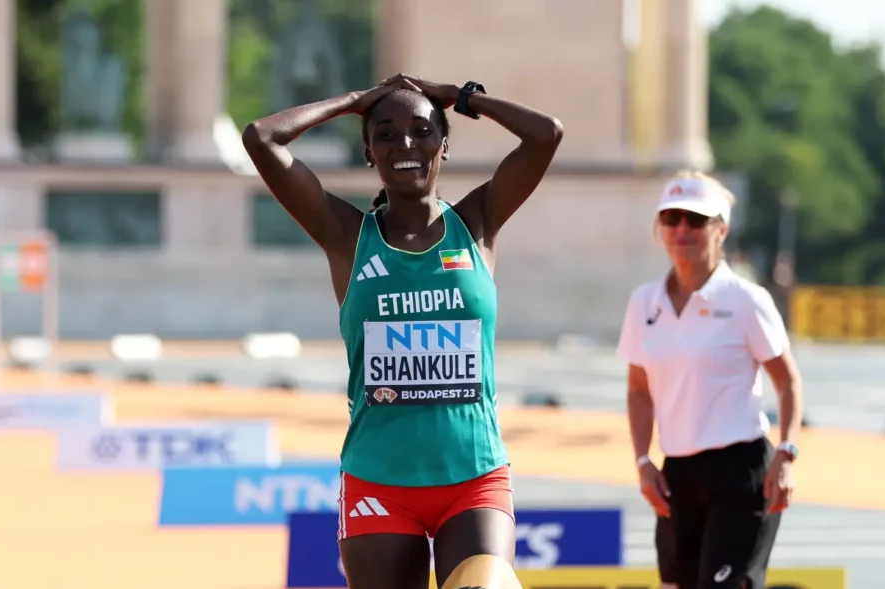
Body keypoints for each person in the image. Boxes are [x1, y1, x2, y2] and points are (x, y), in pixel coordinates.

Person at [242, 74, 563, 589]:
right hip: (379, 482)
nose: (405, 145)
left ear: (443, 144)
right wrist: (353, 101)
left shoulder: (478, 222)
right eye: (386, 134)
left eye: (421, 130)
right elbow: (261, 138)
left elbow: (546, 134)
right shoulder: (346, 236)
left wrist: (458, 97)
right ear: (369, 152)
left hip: (473, 477)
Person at [615, 171, 805, 589]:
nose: (683, 229)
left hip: (740, 471)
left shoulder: (746, 300)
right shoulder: (643, 303)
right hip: (677, 473)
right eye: (672, 217)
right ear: (660, 228)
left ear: (721, 229)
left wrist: (786, 454)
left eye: (696, 220)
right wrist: (644, 461)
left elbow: (788, 382)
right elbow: (638, 391)